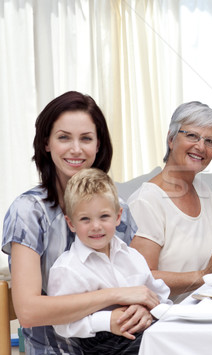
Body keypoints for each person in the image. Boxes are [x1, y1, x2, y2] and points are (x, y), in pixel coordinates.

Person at [2, 91, 159, 354]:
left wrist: (141, 310)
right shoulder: (28, 212)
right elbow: (28, 311)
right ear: (46, 143)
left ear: (98, 145)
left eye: (86, 138)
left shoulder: (120, 210)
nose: (76, 149)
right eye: (64, 137)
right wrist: (117, 295)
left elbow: (137, 282)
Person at [128, 101, 212, 303]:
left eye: (210, 141)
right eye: (192, 135)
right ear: (171, 139)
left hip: (209, 312)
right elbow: (143, 279)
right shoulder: (147, 201)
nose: (201, 147)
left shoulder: (204, 192)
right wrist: (205, 274)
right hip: (167, 320)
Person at [47, 168, 172, 354]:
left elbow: (160, 297)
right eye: (85, 219)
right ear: (71, 223)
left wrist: (147, 310)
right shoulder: (67, 268)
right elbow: (61, 322)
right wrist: (106, 321)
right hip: (101, 343)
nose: (96, 226)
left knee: (179, 340)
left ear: (118, 217)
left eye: (104, 216)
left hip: (142, 329)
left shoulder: (132, 256)